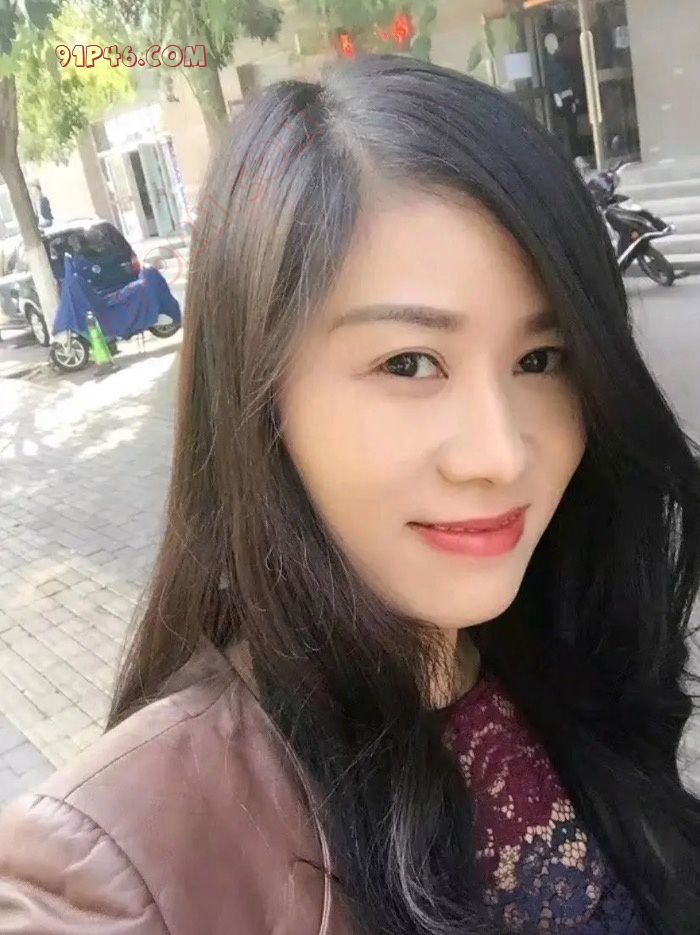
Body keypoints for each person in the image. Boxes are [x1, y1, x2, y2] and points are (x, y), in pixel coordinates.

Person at [1, 55, 699, 934]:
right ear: (262, 399)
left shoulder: (566, 653)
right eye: (409, 362)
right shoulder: (120, 865)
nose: (498, 454)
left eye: (540, 359)